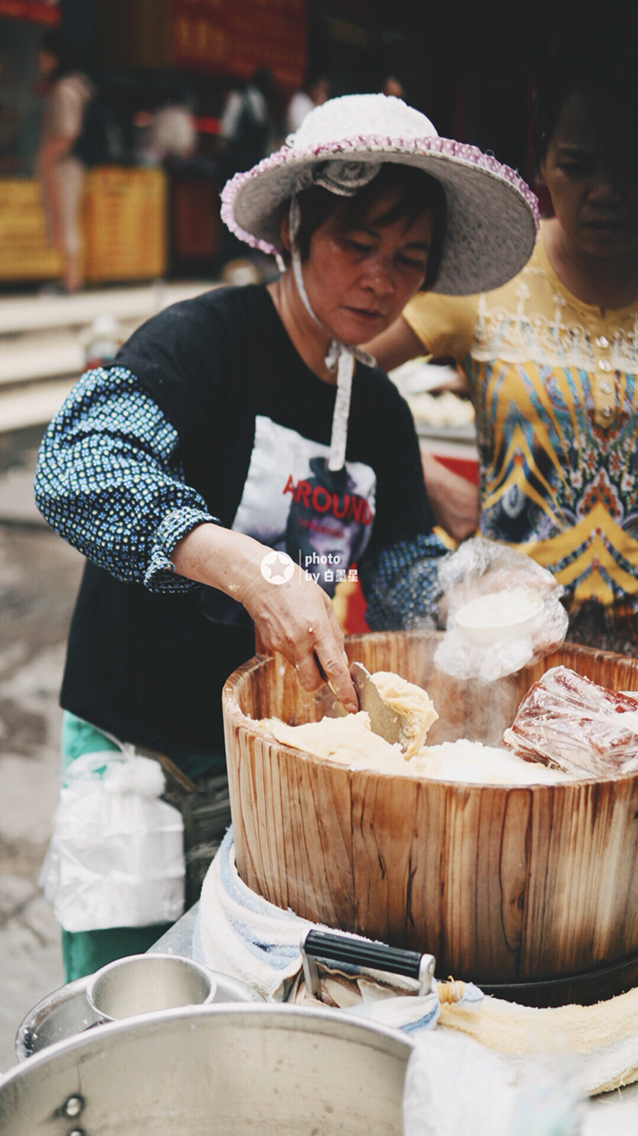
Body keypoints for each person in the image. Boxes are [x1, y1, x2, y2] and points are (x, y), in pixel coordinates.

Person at [34, 93, 537, 979]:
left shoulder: (379, 413)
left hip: (266, 765)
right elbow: (77, 464)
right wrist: (255, 570)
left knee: (238, 985)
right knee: (124, 995)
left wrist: (467, 593)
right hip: (135, 748)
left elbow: (398, 567)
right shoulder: (205, 343)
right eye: (357, 246)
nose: (381, 280)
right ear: (297, 227)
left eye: (408, 259)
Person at [366, 38, 638, 655]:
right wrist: (426, 479)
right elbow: (340, 369)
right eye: (579, 163)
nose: (607, 190)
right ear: (539, 162)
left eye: (630, 162)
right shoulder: (492, 278)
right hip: (512, 644)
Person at [36, 29, 93, 294]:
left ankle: (71, 280)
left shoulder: (65, 89)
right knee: (66, 218)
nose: (41, 62)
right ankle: (69, 277)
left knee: (66, 217)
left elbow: (65, 134)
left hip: (64, 164)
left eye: (44, 57)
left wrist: (46, 160)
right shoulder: (79, 86)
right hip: (70, 163)